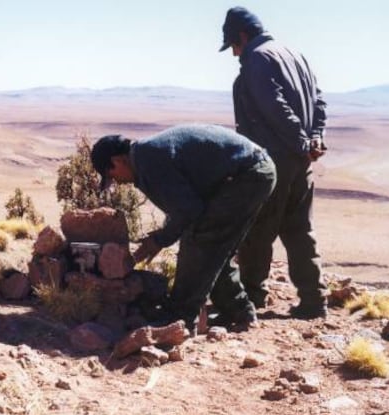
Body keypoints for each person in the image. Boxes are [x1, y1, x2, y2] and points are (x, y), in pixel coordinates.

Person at [91, 124, 276, 330]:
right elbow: (183, 206)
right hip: (249, 172)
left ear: (118, 160)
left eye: (111, 174)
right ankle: (239, 311)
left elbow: (189, 211)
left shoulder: (148, 161)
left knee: (200, 239)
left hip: (249, 175)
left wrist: (160, 240)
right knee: (213, 246)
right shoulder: (145, 158)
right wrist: (161, 237)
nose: (116, 181)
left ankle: (180, 318)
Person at [219, 7, 328, 318]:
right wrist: (313, 139)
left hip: (274, 160)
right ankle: (313, 300)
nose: (234, 54)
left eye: (233, 46)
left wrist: (302, 140)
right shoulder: (295, 54)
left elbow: (274, 106)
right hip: (300, 160)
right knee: (299, 230)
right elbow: (319, 100)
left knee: (258, 229)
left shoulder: (257, 58)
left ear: (242, 36)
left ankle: (250, 298)